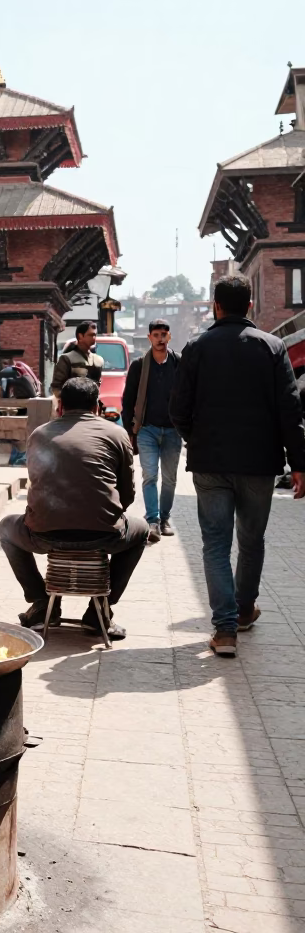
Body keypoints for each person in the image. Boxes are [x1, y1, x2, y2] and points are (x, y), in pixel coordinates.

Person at [169, 274, 305, 658]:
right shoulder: (273, 347)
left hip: (210, 462)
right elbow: (290, 411)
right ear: (249, 306)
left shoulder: (197, 347)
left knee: (215, 543)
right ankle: (244, 609)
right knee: (251, 540)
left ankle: (225, 629)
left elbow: (177, 409)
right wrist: (299, 463)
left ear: (216, 306)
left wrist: (195, 438)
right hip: (259, 463)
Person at [0, 376, 149, 641]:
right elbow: (127, 494)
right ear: (97, 408)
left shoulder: (40, 434)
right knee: (142, 530)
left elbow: (36, 485)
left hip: (44, 535)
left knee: (6, 527)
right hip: (103, 535)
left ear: (60, 406)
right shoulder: (116, 434)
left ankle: (42, 602)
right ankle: (99, 613)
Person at [121, 318, 182, 543]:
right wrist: (130, 429)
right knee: (150, 476)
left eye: (163, 335)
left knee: (170, 479)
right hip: (146, 429)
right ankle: (152, 521)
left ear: (169, 337)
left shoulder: (179, 363)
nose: (160, 339)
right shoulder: (139, 365)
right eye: (156, 335)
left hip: (173, 430)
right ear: (149, 338)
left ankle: (165, 518)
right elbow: (128, 399)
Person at [50, 321, 104, 405]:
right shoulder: (66, 359)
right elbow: (56, 387)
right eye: (90, 335)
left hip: (91, 406)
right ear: (80, 336)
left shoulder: (98, 360)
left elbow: (98, 385)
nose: (93, 338)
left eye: (95, 335)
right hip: (71, 408)